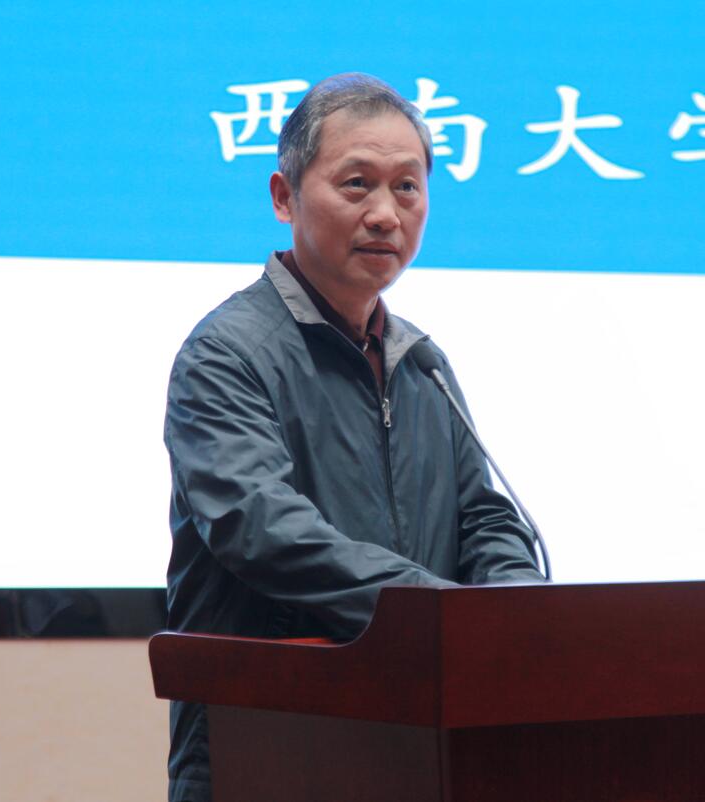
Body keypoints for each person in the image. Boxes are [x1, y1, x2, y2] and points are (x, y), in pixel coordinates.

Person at [162, 73, 544, 802]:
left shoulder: (421, 362)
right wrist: (442, 618)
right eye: (357, 184)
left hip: (417, 742)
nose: (385, 214)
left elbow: (485, 519)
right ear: (284, 197)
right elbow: (263, 531)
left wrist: (520, 616)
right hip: (267, 741)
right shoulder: (227, 355)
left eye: (408, 188)